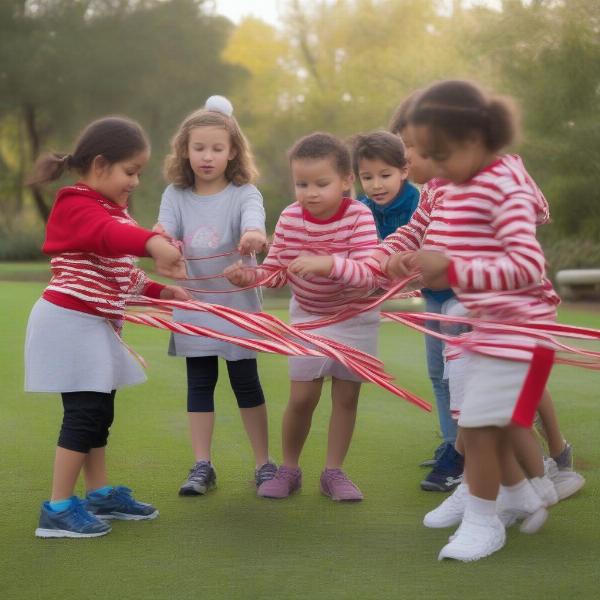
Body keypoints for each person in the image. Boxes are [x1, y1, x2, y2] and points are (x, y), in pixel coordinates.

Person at [398, 79, 565, 561]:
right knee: (476, 425)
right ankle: (519, 498)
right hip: (486, 320)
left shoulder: (505, 187)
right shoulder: (464, 185)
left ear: (473, 141)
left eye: (440, 155)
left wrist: (451, 270)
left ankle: (484, 521)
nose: (435, 170)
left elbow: (527, 266)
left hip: (521, 324)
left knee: (479, 423)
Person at [25, 116, 188, 538]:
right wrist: (151, 241)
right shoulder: (76, 205)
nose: (134, 181)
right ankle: (58, 508)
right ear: (100, 165)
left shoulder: (109, 210)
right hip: (68, 322)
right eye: (130, 171)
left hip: (92, 325)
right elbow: (110, 236)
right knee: (83, 415)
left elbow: (119, 269)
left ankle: (97, 494)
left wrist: (159, 292)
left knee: (100, 412)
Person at [225, 132, 382, 501]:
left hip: (356, 318)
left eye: (321, 183)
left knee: (345, 399)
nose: (310, 192)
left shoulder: (359, 215)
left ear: (346, 181)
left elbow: (370, 275)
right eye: (302, 183)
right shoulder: (292, 218)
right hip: (310, 318)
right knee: (302, 398)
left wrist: (328, 264)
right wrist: (249, 275)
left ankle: (334, 472)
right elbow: (276, 271)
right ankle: (290, 468)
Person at [155, 96, 275, 497]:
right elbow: (165, 228)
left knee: (246, 382)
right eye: (199, 148)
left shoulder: (244, 193)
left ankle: (264, 463)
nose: (207, 157)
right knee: (199, 383)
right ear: (184, 150)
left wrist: (253, 236)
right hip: (194, 305)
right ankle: (202, 464)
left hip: (237, 306)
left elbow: (254, 224)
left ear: (233, 152)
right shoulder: (175, 194)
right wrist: (159, 239)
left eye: (217, 149)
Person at [383, 95, 464, 492]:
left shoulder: (469, 184)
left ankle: (466, 455)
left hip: (466, 299)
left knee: (464, 376)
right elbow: (416, 229)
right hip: (435, 296)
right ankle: (453, 443)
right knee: (439, 373)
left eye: (409, 149)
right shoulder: (432, 189)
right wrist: (383, 255)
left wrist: (424, 257)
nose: (405, 161)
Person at [350, 130, 419, 240]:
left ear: (404, 171)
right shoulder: (361, 211)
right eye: (367, 178)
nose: (376, 186)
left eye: (385, 175)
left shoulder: (418, 206)